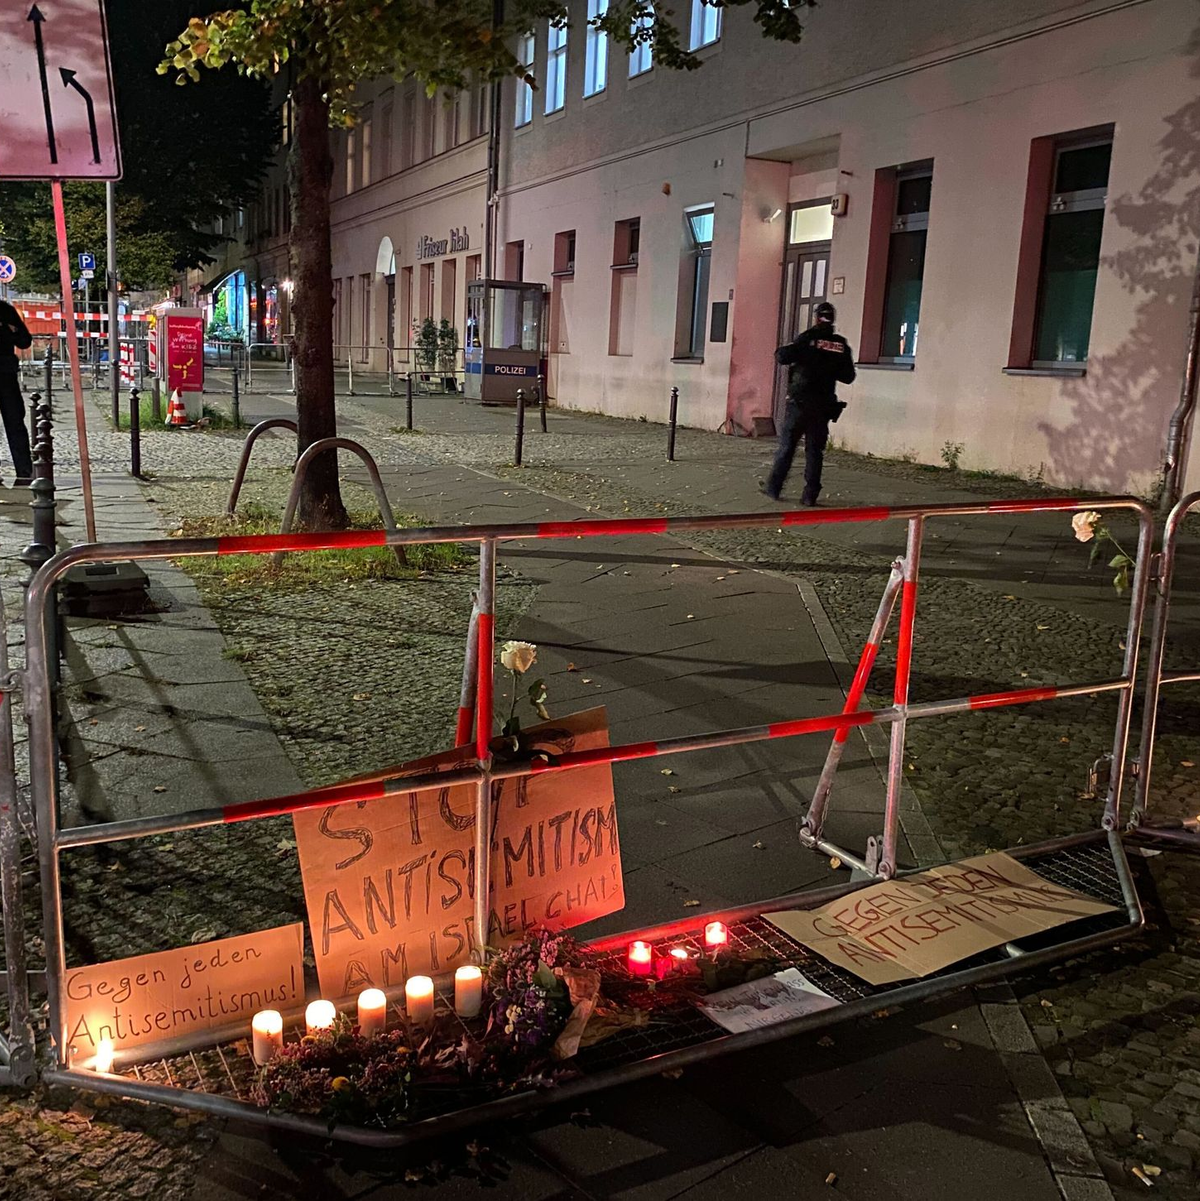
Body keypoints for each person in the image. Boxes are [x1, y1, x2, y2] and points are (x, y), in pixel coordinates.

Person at [764, 301, 856, 505]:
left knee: (787, 447)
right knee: (815, 451)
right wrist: (830, 367)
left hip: (800, 402)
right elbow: (848, 376)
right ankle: (810, 495)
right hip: (823, 405)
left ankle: (774, 487)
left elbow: (783, 356)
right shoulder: (839, 344)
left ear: (816, 318)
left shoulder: (808, 339)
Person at [0, 300, 34, 486]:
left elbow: (25, 341)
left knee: (15, 423)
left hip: (6, 375)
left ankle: (25, 471)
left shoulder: (5, 310)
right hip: (6, 373)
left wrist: (13, 331)